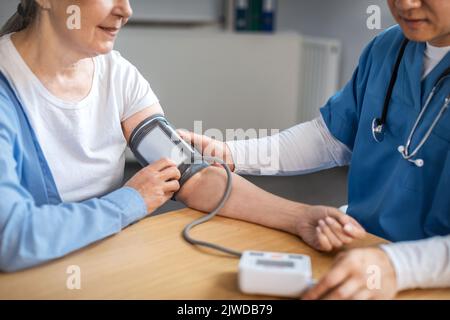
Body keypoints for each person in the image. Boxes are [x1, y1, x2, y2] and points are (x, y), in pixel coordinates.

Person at [0, 0, 365, 272]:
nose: (126, 10)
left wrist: (301, 217)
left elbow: (191, 173)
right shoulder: (7, 89)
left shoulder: (117, 75)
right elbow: (13, 237)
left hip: (98, 262)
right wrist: (130, 201)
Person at [180, 0, 450, 299]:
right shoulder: (387, 47)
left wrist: (398, 266)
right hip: (359, 246)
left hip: (430, 276)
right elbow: (330, 139)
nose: (405, 4)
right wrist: (231, 153)